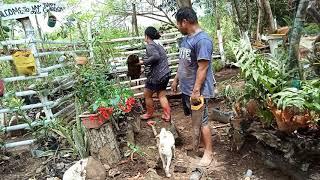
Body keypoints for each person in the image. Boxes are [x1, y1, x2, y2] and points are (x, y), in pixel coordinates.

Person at [171, 7, 215, 167]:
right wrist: (176, 79)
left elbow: (202, 68)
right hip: (187, 88)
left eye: (178, 23)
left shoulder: (202, 40)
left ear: (184, 22)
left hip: (198, 91)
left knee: (202, 121)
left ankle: (209, 152)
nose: (177, 26)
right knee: (194, 119)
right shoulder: (186, 39)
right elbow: (183, 63)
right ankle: (201, 145)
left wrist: (196, 91)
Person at [140, 26, 171, 121]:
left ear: (146, 36)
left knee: (147, 94)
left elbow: (156, 57)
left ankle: (149, 114)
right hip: (165, 73)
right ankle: (167, 115)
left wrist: (143, 62)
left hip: (157, 76)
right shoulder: (158, 45)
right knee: (161, 95)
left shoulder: (150, 45)